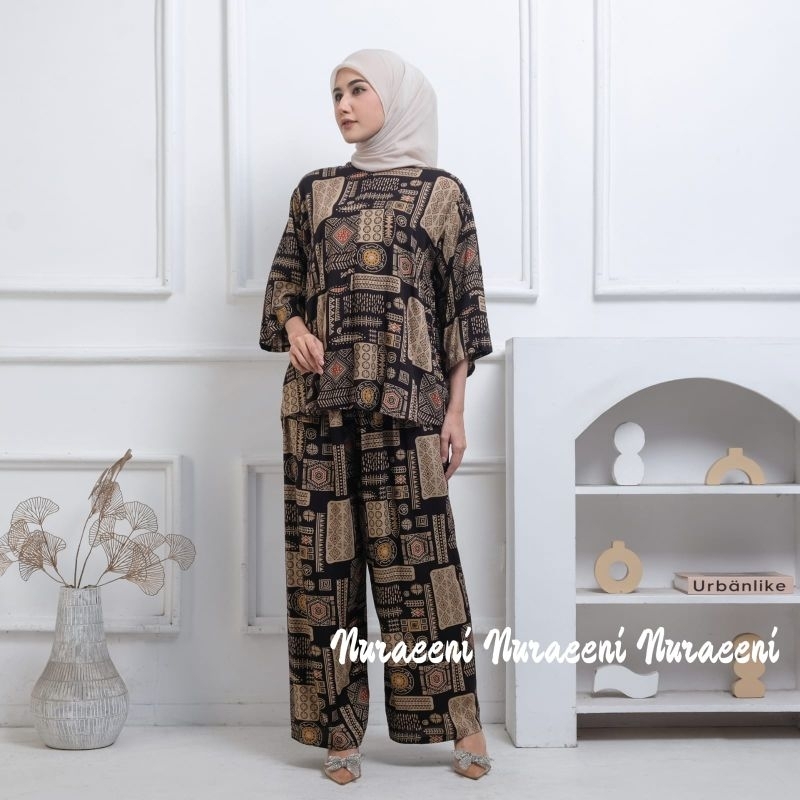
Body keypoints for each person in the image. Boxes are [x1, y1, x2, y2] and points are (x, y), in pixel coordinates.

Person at [259, 48, 494, 785]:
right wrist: (295, 328)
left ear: (397, 98)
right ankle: (337, 733)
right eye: (335, 92)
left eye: (357, 90)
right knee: (322, 574)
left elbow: (460, 311)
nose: (343, 105)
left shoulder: (442, 195)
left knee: (424, 571)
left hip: (411, 408)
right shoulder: (315, 191)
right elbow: (285, 285)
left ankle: (462, 724)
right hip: (318, 408)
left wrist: (456, 411)